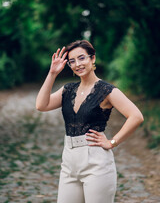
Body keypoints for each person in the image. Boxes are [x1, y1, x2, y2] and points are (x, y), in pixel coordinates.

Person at [36, 40, 144, 203]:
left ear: (92, 59)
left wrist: (112, 142)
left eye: (81, 58)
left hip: (96, 162)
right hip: (69, 161)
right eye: (72, 61)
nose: (77, 64)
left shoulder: (106, 90)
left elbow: (136, 116)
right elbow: (41, 105)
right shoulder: (68, 90)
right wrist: (52, 74)